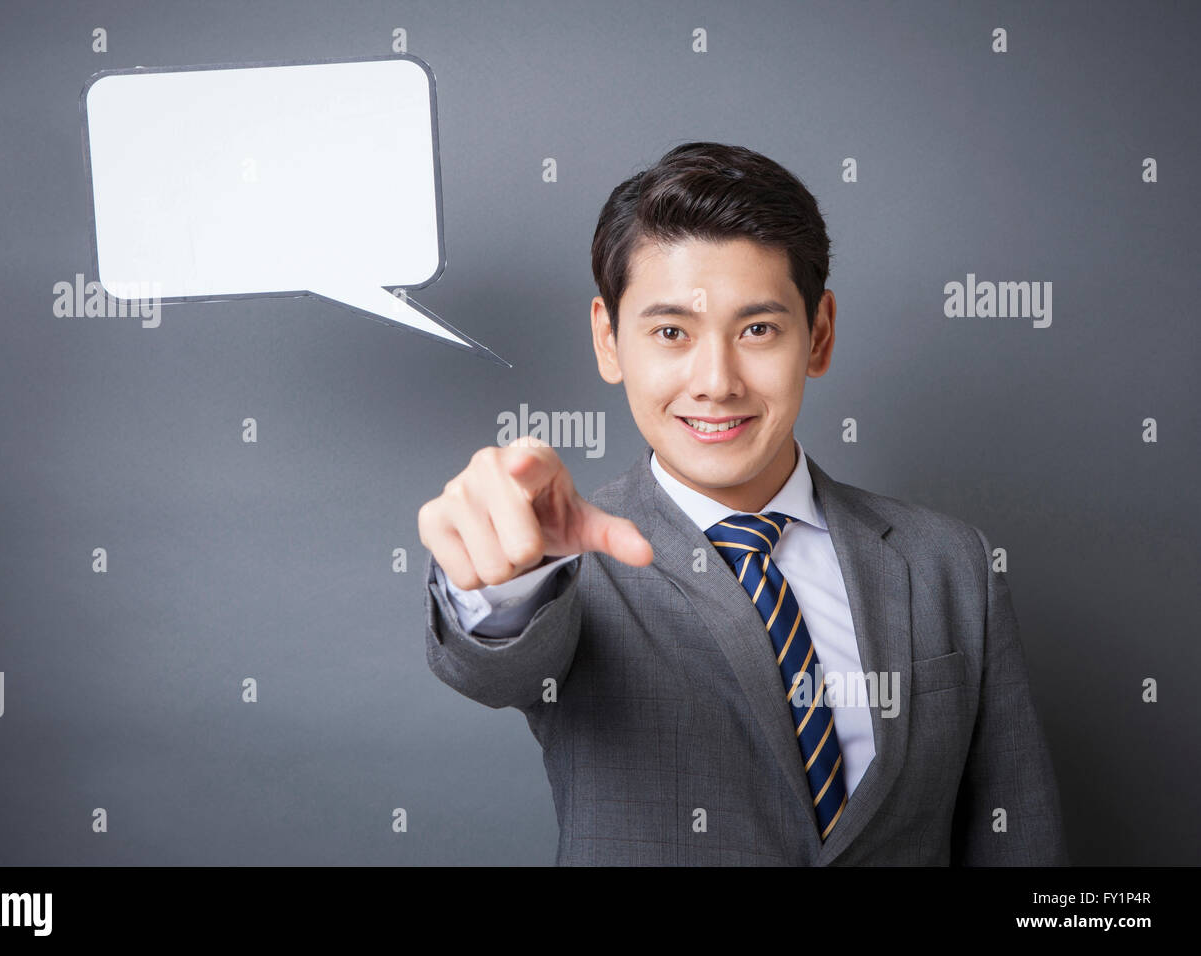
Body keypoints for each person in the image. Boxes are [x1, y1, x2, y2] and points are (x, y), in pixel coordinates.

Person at [417, 142, 1067, 866]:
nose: (717, 381)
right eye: (671, 333)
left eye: (757, 329)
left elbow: (1021, 840)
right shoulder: (568, 565)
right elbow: (496, 668)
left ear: (817, 336)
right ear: (609, 340)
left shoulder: (952, 563)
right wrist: (504, 580)